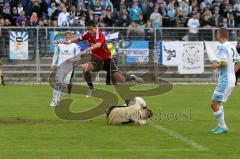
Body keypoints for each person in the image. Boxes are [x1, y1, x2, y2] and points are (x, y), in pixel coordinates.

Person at [66, 20, 142, 97]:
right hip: (96, 60)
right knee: (85, 68)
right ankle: (91, 88)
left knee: (121, 80)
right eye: (88, 29)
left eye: (91, 29)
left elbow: (98, 45)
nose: (89, 31)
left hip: (107, 60)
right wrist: (68, 41)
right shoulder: (88, 34)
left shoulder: (100, 34)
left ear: (95, 28)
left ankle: (131, 77)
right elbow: (78, 38)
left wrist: (84, 51)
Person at [210, 28, 240, 134]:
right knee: (218, 102)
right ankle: (220, 126)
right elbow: (238, 62)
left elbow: (223, 63)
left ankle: (223, 127)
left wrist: (215, 66)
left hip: (225, 80)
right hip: (230, 79)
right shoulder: (232, 47)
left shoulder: (223, 47)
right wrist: (232, 73)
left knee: (214, 103)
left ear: (219, 35)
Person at [50, 32, 79, 107]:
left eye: (69, 37)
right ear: (64, 37)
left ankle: (58, 99)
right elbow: (55, 54)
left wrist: (71, 60)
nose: (67, 38)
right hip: (61, 67)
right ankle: (54, 100)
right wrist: (53, 63)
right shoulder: (60, 45)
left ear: (72, 38)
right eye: (66, 37)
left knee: (64, 85)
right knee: (58, 83)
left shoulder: (75, 46)